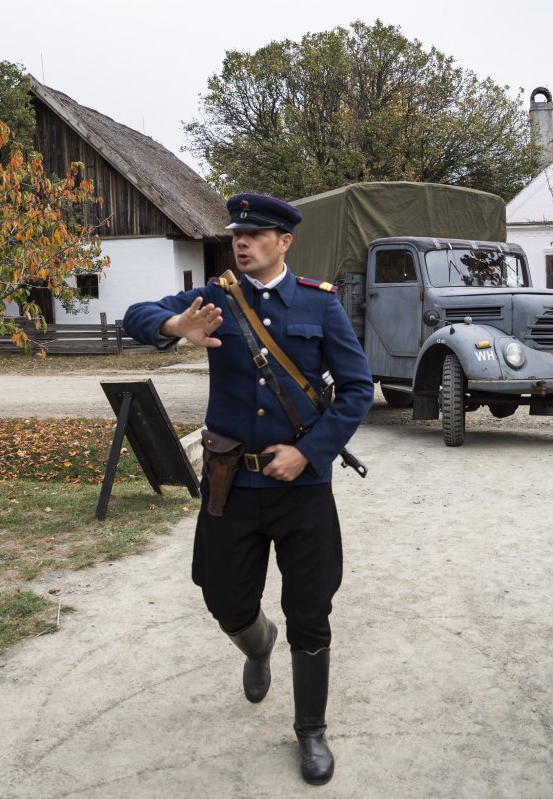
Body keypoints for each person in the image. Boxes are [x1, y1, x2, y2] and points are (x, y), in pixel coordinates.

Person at [122, 193, 373, 786]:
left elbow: (358, 389)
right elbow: (138, 313)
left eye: (257, 234)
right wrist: (174, 325)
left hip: (302, 487)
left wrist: (309, 451)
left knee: (310, 610)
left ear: (284, 242)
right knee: (224, 599)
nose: (243, 241)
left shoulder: (320, 304)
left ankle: (310, 730)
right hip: (230, 484)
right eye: (238, 232)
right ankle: (258, 645)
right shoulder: (212, 299)